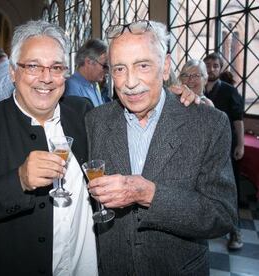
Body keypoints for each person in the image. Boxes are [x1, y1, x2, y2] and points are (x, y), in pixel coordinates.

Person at [0, 20, 98, 275]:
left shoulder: (82, 113)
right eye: (34, 66)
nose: (46, 78)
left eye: (56, 67)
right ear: (13, 72)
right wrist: (19, 181)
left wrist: (181, 101)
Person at [85, 20, 237, 275]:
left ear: (165, 67)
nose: (130, 82)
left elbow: (222, 214)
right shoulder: (95, 120)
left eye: (143, 65)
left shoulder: (208, 123)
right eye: (120, 69)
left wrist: (150, 195)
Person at [203, 53, 245, 250]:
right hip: (204, 150)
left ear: (221, 68)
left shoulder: (229, 91)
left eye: (215, 66)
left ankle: (235, 232)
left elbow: (238, 120)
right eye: (208, 65)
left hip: (227, 148)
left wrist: (241, 145)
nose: (211, 69)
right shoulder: (198, 89)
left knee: (231, 188)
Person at [64, 38, 109, 107]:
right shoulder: (72, 87)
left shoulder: (94, 84)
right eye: (105, 66)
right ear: (88, 62)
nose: (107, 71)